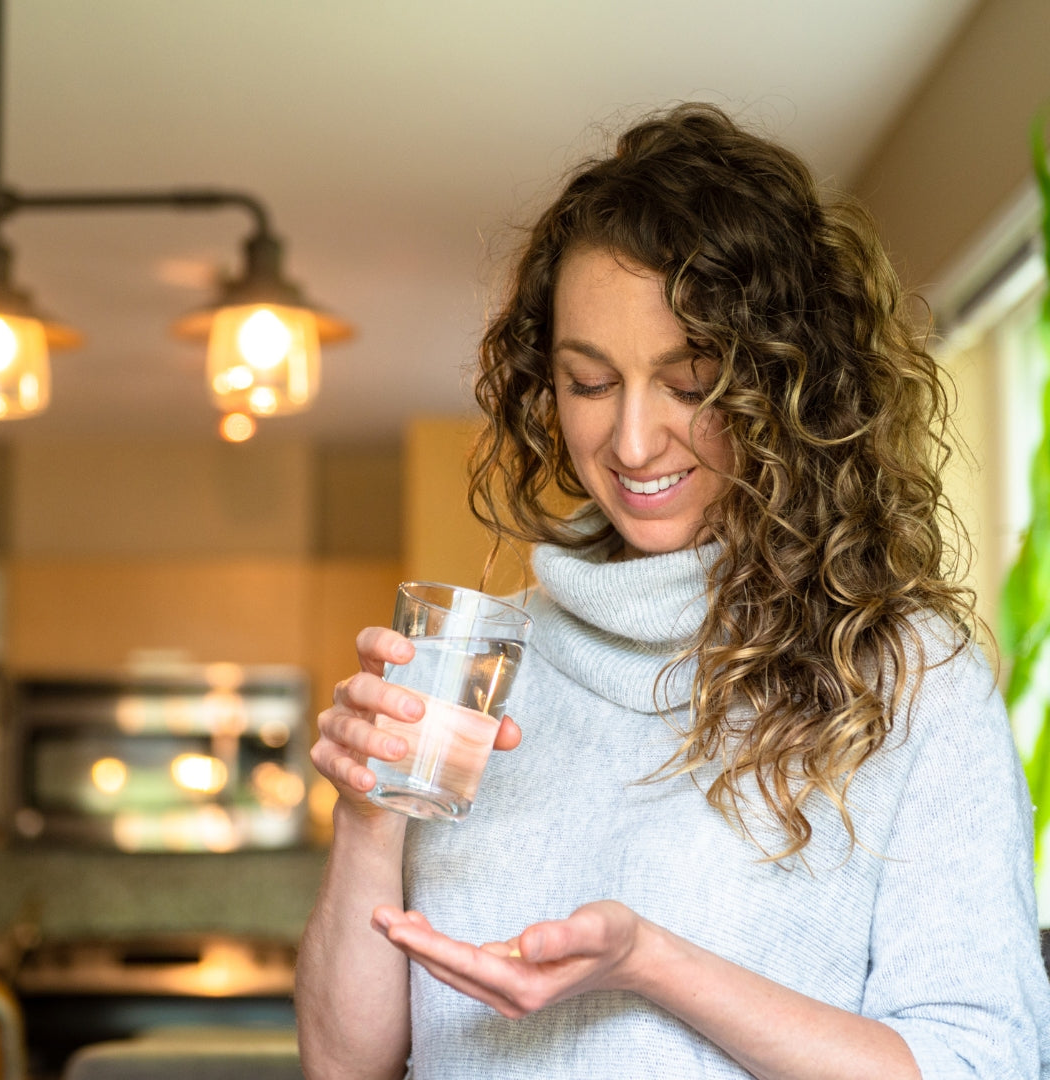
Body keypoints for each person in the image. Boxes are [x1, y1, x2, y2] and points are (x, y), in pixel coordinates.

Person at [294, 103, 1050, 1080]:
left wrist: (652, 964)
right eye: (589, 381)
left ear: (786, 384)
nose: (634, 441)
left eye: (690, 382)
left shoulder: (908, 680)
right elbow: (342, 1065)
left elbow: (982, 1065)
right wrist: (367, 817)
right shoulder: (479, 677)